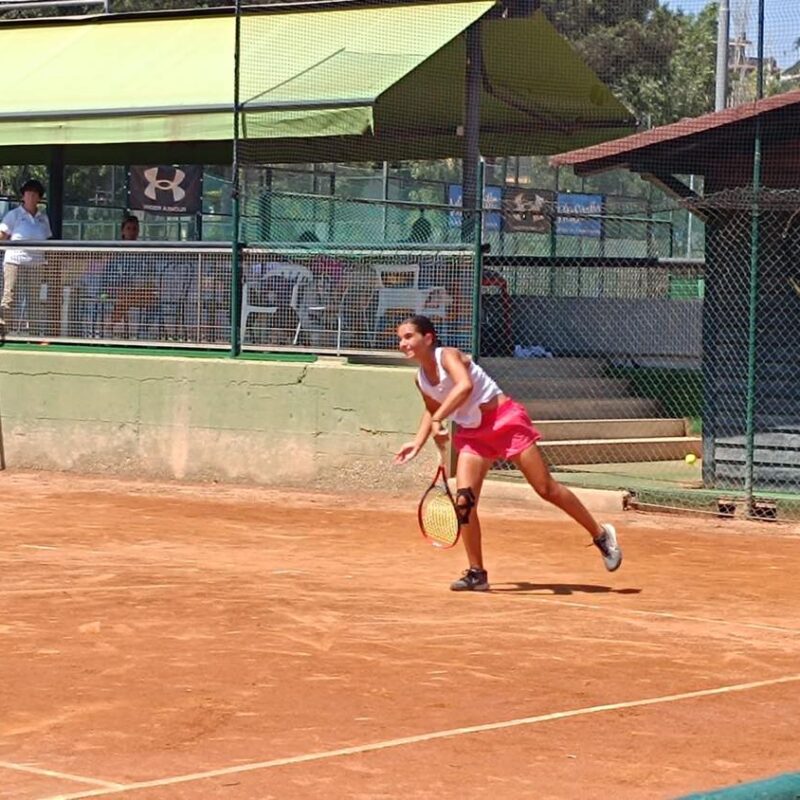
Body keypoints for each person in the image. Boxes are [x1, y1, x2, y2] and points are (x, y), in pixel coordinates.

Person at [393, 315, 622, 592]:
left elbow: (464, 386)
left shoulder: (448, 356)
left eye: (408, 337)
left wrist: (440, 419)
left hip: (505, 421)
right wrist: (417, 442)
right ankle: (477, 573)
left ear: (428, 338)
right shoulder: (421, 379)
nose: (402, 343)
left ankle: (600, 535)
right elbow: (431, 409)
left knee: (545, 488)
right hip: (474, 434)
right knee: (464, 503)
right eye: (400, 339)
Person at [0, 178, 52, 333]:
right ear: (23, 196)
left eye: (34, 194)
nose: (31, 196)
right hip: (14, 262)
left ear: (39, 198)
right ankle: (3, 332)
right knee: (10, 297)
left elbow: (48, 240)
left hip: (36, 264)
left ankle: (34, 335)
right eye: (28, 193)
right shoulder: (13, 215)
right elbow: (2, 235)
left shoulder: (44, 218)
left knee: (35, 300)